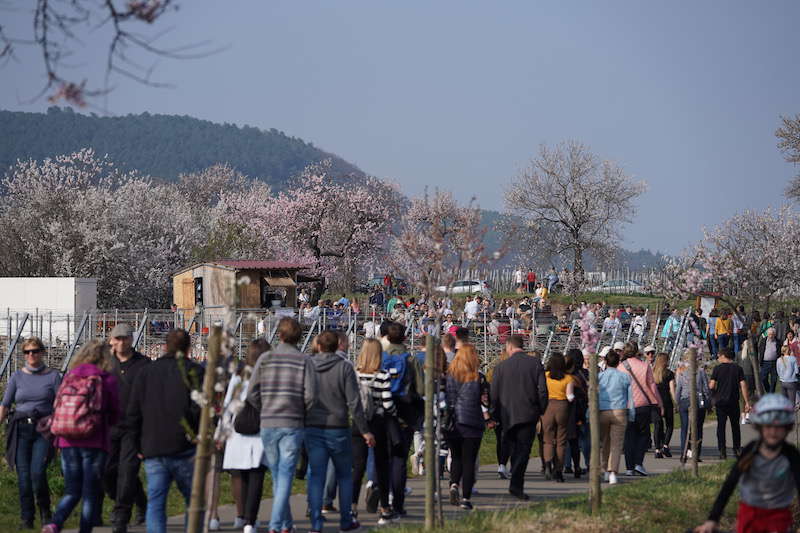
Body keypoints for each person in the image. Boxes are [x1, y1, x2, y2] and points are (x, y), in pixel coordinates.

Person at [126, 329, 201, 533]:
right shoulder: (194, 371)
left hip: (153, 445)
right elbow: (200, 408)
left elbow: (133, 412)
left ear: (164, 347)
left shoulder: (146, 372)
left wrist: (136, 444)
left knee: (156, 501)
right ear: (188, 348)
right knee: (192, 501)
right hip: (185, 446)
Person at [247, 318, 317, 533]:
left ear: (280, 335)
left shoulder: (266, 359)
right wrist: (300, 410)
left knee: (278, 474)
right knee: (284, 474)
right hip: (292, 422)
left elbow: (252, 392)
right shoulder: (304, 361)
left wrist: (265, 406)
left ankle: (283, 524)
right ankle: (278, 525)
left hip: (268, 421)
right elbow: (311, 395)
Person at [43, 340, 120, 533]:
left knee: (71, 491)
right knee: (90, 493)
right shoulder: (105, 378)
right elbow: (116, 412)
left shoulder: (70, 376)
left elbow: (57, 406)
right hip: (95, 441)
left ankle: (54, 523)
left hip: (67, 441)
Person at [694, 394, 800, 533]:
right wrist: (712, 520)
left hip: (778, 519)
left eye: (778, 427)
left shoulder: (791, 455)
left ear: (787, 428)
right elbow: (729, 485)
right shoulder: (751, 450)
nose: (773, 432)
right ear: (760, 427)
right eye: (768, 426)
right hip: (749, 517)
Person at [305, 330, 373, 533]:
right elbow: (354, 402)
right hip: (338, 426)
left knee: (316, 475)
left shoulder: (309, 365)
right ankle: (346, 520)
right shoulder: (344, 367)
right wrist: (364, 430)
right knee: (344, 475)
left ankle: (316, 522)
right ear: (338, 345)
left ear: (318, 345)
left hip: (314, 425)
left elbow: (304, 395)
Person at [0, 337, 61, 530]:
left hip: (43, 429)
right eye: (27, 352)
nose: (31, 355)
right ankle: (27, 518)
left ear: (42, 352)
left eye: (35, 351)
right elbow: (5, 404)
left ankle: (45, 512)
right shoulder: (17, 377)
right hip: (20, 428)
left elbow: (59, 405)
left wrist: (59, 431)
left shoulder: (52, 376)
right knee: (23, 476)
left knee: (37, 472)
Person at [490, 335, 548, 500]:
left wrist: (494, 414)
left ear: (509, 347)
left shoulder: (500, 367)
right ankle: (516, 483)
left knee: (511, 445)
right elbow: (542, 391)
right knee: (523, 450)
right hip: (528, 413)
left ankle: (515, 482)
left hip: (507, 414)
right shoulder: (535, 364)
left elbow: (494, 394)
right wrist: (540, 410)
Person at [104, 324, 150, 533]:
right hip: (109, 425)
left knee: (128, 471)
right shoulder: (106, 364)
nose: (121, 342)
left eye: (125, 338)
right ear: (111, 341)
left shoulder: (143, 364)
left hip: (134, 427)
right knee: (108, 472)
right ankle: (140, 501)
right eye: (118, 339)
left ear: (131, 340)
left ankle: (121, 515)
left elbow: (151, 398)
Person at [223, 339, 270, 533]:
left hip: (237, 431)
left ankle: (240, 516)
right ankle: (251, 520)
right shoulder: (268, 377)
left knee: (238, 476)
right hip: (260, 431)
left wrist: (222, 431)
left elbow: (228, 406)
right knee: (256, 477)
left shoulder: (239, 376)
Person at [352, 339, 397, 525]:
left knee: (357, 468)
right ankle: (385, 508)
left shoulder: (354, 374)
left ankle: (352, 507)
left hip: (358, 424)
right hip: (378, 423)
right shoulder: (382, 375)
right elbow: (387, 404)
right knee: (381, 466)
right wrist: (394, 413)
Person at [380, 321, 424, 516]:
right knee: (400, 459)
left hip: (382, 411)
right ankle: (397, 502)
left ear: (386, 338)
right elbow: (421, 389)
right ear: (405, 338)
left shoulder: (380, 358)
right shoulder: (410, 360)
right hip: (404, 413)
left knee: (383, 458)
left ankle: (383, 499)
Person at [445, 344, 492, 510]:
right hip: (472, 423)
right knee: (469, 461)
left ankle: (453, 484)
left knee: (456, 457)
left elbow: (446, 397)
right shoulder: (478, 377)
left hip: (453, 422)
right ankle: (466, 497)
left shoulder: (449, 376)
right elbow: (486, 401)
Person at [619, 342, 662, 476]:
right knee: (643, 435)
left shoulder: (620, 367)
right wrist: (658, 402)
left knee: (628, 437)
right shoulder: (644, 366)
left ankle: (629, 467)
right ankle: (638, 462)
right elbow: (652, 386)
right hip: (642, 404)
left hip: (626, 405)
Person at [597, 350, 635, 485]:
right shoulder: (624, 377)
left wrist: (590, 414)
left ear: (606, 362)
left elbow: (594, 395)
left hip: (603, 411)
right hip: (619, 411)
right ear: (618, 362)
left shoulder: (600, 377)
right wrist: (631, 413)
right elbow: (630, 398)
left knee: (605, 442)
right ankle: (613, 471)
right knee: (616, 443)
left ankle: (605, 469)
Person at [711, 347, 751, 460]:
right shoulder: (738, 369)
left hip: (720, 402)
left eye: (719, 356)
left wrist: (713, 396)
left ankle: (722, 450)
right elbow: (743, 385)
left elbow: (712, 385)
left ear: (724, 356)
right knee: (735, 426)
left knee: (721, 427)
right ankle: (737, 448)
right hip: (733, 401)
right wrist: (747, 402)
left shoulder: (717, 369)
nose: (718, 358)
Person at [541, 352, 574, 482]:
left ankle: (547, 464)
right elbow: (570, 397)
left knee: (547, 439)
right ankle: (558, 470)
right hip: (562, 407)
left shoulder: (545, 376)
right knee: (561, 440)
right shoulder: (568, 378)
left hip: (547, 407)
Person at [675, 349, 711, 462]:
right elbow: (706, 389)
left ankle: (683, 453)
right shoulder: (701, 372)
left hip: (685, 401)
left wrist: (677, 404)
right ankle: (696, 454)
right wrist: (708, 403)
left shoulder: (682, 373)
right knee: (698, 428)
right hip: (698, 400)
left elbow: (678, 390)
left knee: (685, 428)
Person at [563, 348, 589, 477]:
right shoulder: (584, 374)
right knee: (584, 438)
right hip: (582, 407)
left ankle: (567, 465)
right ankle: (588, 463)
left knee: (568, 438)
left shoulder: (564, 375)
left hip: (567, 408)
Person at [652, 353, 676, 458]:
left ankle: (657, 449)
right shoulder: (669, 374)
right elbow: (672, 390)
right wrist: (676, 402)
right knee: (670, 424)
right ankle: (665, 445)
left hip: (655, 401)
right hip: (666, 401)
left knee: (657, 426)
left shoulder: (652, 373)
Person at [759, 327, 780, 393]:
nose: (771, 336)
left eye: (772, 334)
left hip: (774, 363)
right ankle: (768, 391)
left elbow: (780, 351)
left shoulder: (778, 341)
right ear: (767, 334)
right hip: (765, 363)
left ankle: (771, 393)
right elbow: (760, 349)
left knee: (774, 380)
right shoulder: (763, 341)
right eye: (769, 334)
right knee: (763, 378)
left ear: (774, 334)